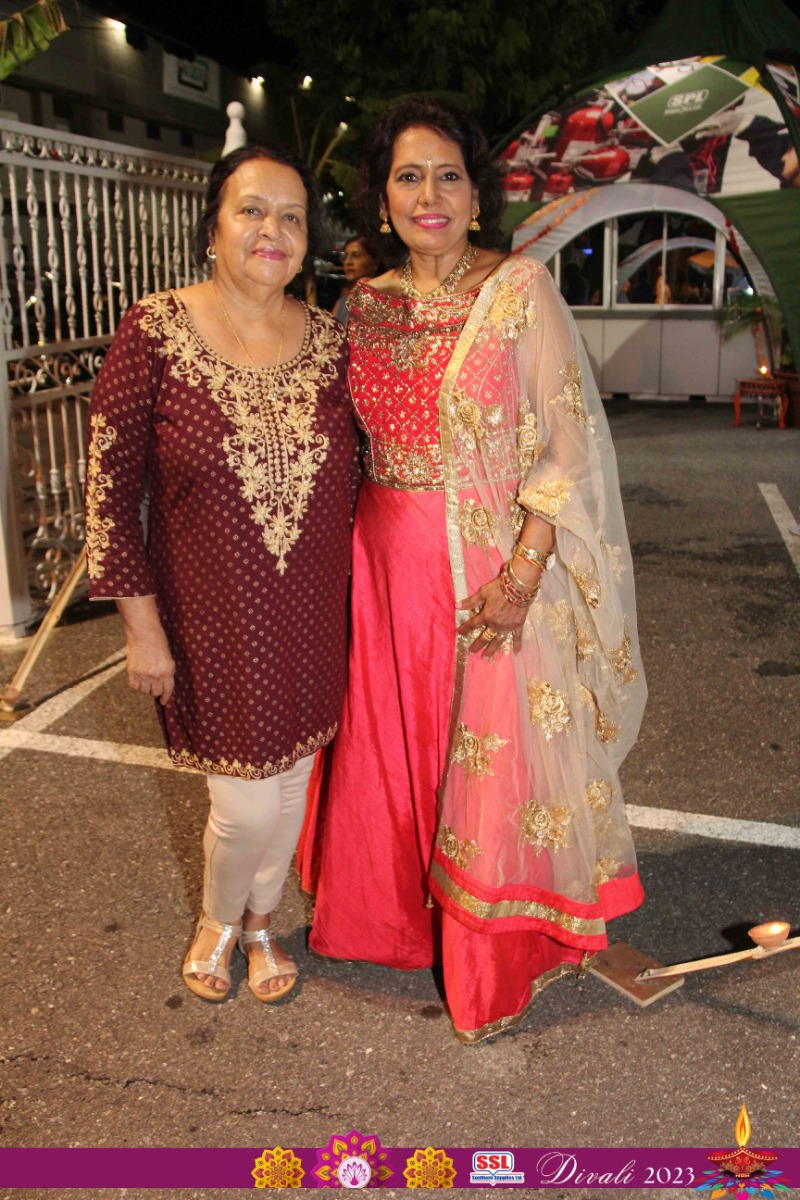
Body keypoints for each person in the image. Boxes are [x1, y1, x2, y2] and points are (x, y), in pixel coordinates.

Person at [301, 100, 647, 1043]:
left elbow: (569, 443)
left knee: (489, 763)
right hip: (382, 568)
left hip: (488, 566)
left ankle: (496, 954)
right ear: (381, 200)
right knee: (396, 743)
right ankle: (392, 923)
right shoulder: (359, 308)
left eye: (448, 175)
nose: (429, 195)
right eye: (408, 177)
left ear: (476, 195)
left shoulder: (519, 289)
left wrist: (525, 574)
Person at [84, 144, 358, 1004]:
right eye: (251, 210)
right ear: (213, 229)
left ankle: (262, 923)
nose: (272, 230)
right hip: (210, 620)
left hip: (312, 616)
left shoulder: (330, 342)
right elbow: (107, 488)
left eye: (291, 216)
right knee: (245, 807)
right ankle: (216, 920)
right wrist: (142, 628)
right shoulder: (156, 331)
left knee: (292, 787)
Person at [330, 235, 379, 323]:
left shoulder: (384, 301)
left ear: (375, 262)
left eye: (356, 255)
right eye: (346, 256)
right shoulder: (341, 304)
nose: (348, 262)